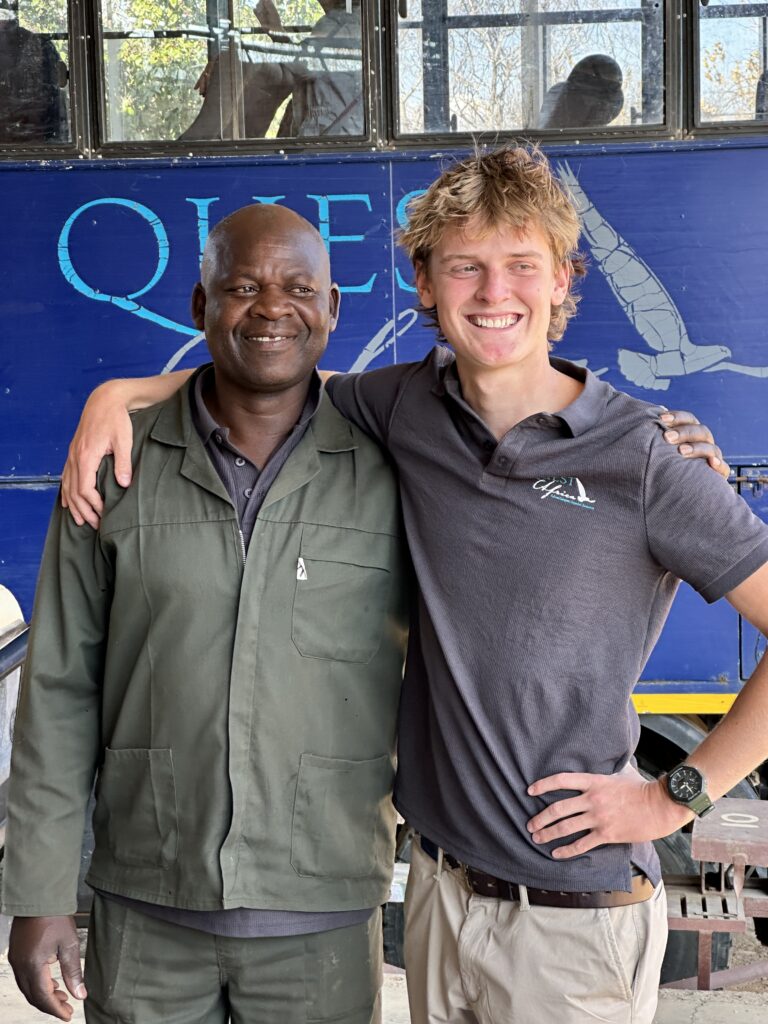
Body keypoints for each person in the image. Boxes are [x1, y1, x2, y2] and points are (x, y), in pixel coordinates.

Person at [56, 147, 762, 1024]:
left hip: (573, 919)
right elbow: (273, 373)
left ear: (562, 280)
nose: (493, 292)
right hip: (436, 896)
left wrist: (672, 798)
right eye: (465, 266)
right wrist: (118, 396)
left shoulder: (646, 457)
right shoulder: (406, 407)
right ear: (424, 282)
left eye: (521, 265)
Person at [1, 204, 409, 1023]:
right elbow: (60, 689)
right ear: (201, 304)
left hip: (322, 912)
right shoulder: (114, 467)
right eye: (243, 287)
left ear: (333, 308)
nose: (272, 308)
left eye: (299, 289)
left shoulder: (394, 467)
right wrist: (39, 894)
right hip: (146, 906)